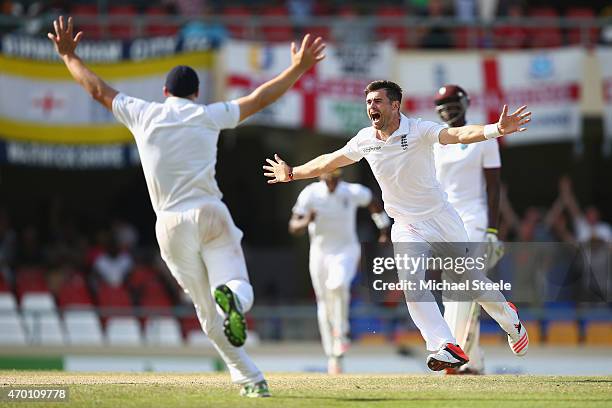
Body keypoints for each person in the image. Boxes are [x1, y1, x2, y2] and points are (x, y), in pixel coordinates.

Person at [48, 15, 325, 397]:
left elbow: (97, 90)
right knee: (236, 285)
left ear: (165, 91)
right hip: (211, 213)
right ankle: (236, 309)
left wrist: (68, 57)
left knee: (206, 315)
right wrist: (297, 67)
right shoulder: (208, 115)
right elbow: (260, 99)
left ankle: (250, 378)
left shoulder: (144, 114)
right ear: (196, 94)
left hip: (172, 225)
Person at [263, 80, 531, 371]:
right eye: (368, 102)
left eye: (378, 101)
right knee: (411, 284)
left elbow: (458, 134)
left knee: (469, 284)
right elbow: (329, 160)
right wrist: (292, 173)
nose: (371, 107)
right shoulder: (365, 139)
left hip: (441, 218)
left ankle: (510, 318)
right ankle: (444, 344)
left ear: (395, 105)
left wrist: (496, 129)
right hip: (405, 224)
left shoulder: (419, 130)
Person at [289, 169, 390, 374]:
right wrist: (307, 220)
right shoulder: (310, 193)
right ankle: (333, 355)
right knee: (324, 303)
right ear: (321, 178)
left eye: (334, 180)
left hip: (346, 249)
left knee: (338, 284)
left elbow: (372, 201)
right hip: (319, 253)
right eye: (328, 180)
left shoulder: (350, 191)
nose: (331, 184)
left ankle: (341, 334)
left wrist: (384, 229)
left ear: (340, 178)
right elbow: (293, 226)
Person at [432, 84, 503, 375]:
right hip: (444, 222)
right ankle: (474, 360)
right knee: (453, 291)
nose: (447, 107)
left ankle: (454, 354)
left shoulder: (484, 138)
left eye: (453, 101)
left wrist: (493, 232)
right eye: (442, 103)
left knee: (461, 284)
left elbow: (494, 187)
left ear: (466, 102)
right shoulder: (434, 140)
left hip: (474, 220)